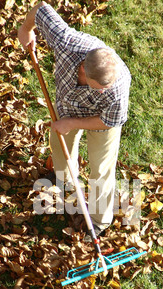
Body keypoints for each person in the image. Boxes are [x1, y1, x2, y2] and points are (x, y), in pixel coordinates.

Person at [18, 1, 131, 240]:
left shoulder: (117, 88)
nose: (104, 91)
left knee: (101, 169)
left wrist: (72, 123)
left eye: (106, 88)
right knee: (59, 147)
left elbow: (109, 121)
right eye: (99, 88)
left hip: (101, 121)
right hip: (66, 107)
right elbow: (41, 9)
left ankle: (99, 221)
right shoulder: (68, 43)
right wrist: (26, 29)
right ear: (84, 72)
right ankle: (66, 183)